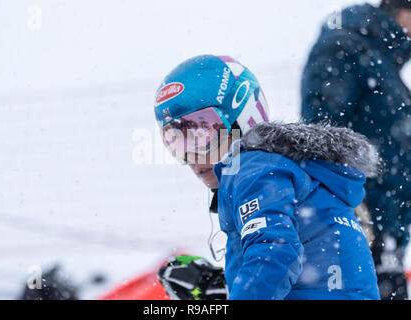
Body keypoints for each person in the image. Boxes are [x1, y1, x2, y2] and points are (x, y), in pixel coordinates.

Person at [154, 54, 380, 300]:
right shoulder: (292, 170)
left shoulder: (251, 167)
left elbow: (274, 253)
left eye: (200, 133)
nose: (191, 154)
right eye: (175, 140)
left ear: (241, 116)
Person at [301, 1, 411, 299]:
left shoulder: (383, 65)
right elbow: (322, 136)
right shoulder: (344, 46)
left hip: (385, 231)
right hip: (359, 229)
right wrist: (355, 218)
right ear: (399, 10)